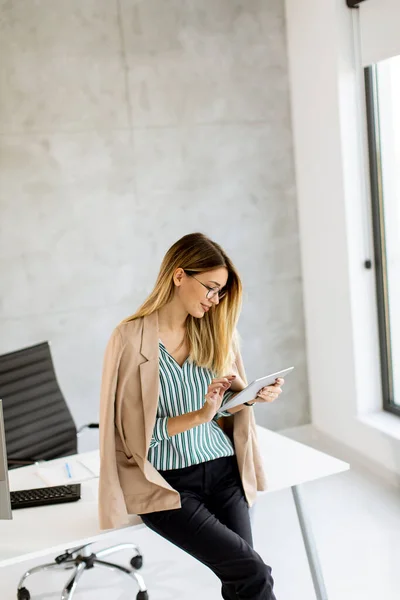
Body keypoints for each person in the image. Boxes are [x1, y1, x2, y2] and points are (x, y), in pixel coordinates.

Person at [99, 232, 284, 600]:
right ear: (179, 275)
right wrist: (200, 416)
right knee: (253, 572)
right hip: (168, 484)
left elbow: (227, 402)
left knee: (245, 578)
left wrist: (252, 397)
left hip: (223, 469)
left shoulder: (215, 330)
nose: (215, 301)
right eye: (211, 288)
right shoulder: (130, 338)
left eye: (221, 292)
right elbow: (133, 436)